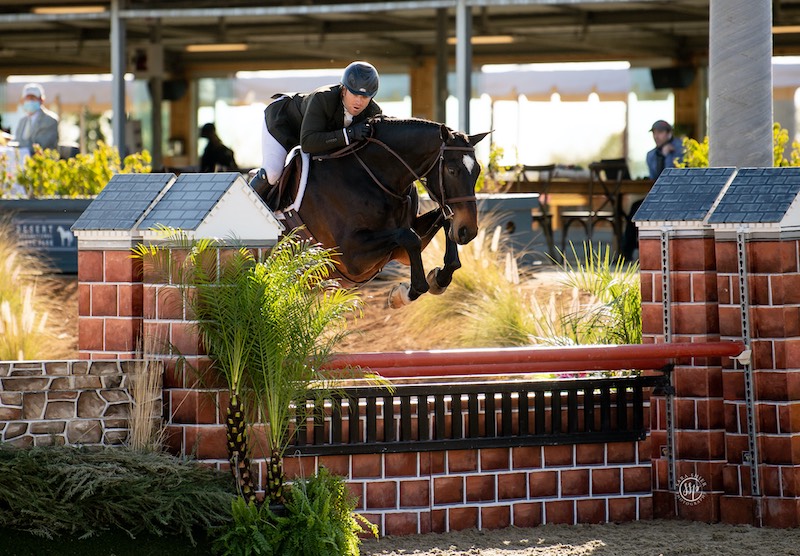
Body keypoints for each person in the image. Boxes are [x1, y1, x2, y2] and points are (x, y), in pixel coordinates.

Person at [250, 60, 382, 193]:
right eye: (354, 94)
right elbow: (308, 144)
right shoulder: (322, 98)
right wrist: (347, 134)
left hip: (314, 135)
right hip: (283, 122)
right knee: (273, 173)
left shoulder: (373, 112)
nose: (359, 102)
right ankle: (245, 199)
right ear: (344, 89)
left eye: (365, 97)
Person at [622, 120, 684, 260]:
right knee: (635, 209)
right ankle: (626, 253)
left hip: (678, 197)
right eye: (655, 133)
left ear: (669, 134)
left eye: (660, 132)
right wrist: (661, 155)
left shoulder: (680, 148)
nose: (657, 136)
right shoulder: (651, 155)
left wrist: (667, 156)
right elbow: (656, 176)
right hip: (657, 198)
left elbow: (670, 175)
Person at [15, 83, 59, 152]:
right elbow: (17, 141)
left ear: (41, 100)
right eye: (27, 98)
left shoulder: (50, 120)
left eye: (32, 98)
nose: (29, 101)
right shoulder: (22, 121)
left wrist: (17, 145)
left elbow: (40, 146)